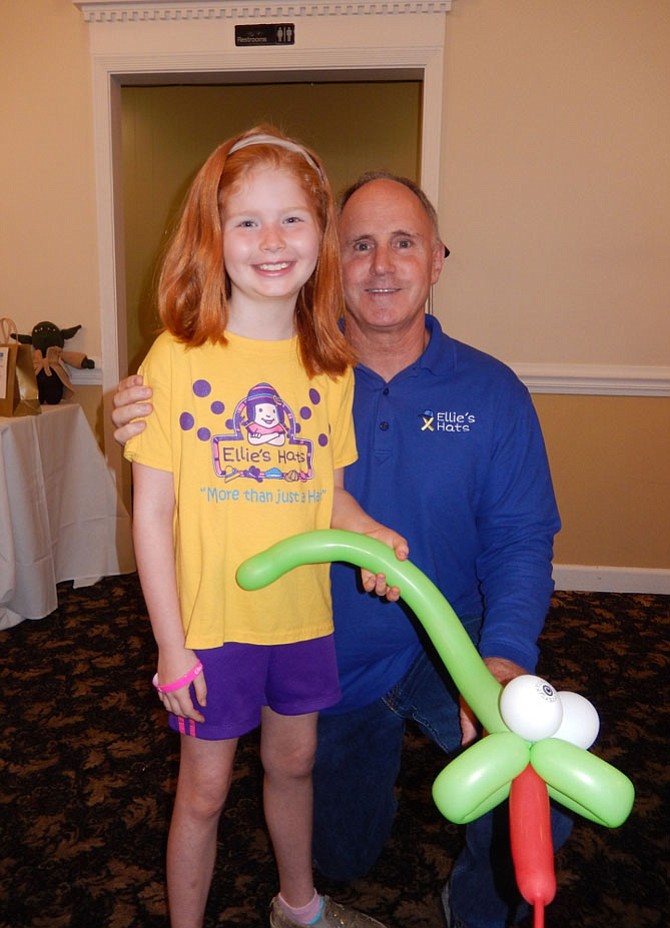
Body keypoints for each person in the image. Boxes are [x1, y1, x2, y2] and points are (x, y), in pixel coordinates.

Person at [114, 169, 573, 928]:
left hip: (444, 647)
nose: (382, 266)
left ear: (438, 258)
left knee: (533, 783)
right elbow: (183, 458)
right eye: (359, 245)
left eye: (403, 243)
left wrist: (500, 663)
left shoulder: (492, 393)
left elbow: (523, 541)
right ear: (333, 259)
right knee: (339, 854)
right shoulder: (301, 365)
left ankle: (477, 909)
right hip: (330, 654)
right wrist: (125, 419)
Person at [123, 127, 408, 928]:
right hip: (211, 629)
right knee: (205, 791)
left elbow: (331, 499)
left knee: (296, 765)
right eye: (246, 221)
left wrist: (370, 534)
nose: (272, 241)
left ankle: (299, 907)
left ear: (321, 231)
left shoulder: (332, 365)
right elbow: (152, 513)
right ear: (214, 237)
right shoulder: (176, 359)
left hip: (300, 620)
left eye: (292, 220)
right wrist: (171, 646)